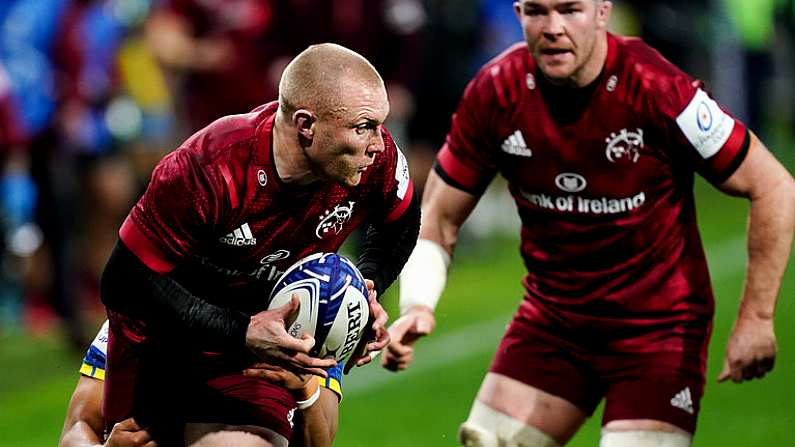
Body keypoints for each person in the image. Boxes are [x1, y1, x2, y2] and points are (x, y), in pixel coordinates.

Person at [384, 1, 795, 446]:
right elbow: (439, 218)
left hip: (657, 333)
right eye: (538, 12)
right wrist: (419, 304)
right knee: (486, 441)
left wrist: (756, 318)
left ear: (603, 11)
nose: (553, 28)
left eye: (570, 10)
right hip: (554, 324)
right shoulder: (496, 91)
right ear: (518, 13)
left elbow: (773, 185)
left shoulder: (658, 87)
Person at [100, 43, 419, 445]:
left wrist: (368, 286)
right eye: (363, 127)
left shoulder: (377, 159)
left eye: (379, 124)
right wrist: (239, 330)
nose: (379, 142)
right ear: (306, 125)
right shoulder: (210, 169)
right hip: (166, 325)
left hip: (266, 349)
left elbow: (402, 222)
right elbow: (123, 280)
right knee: (85, 436)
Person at [59, 321, 342, 447]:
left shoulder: (314, 320)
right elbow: (76, 430)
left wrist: (305, 388)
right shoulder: (146, 307)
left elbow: (318, 443)